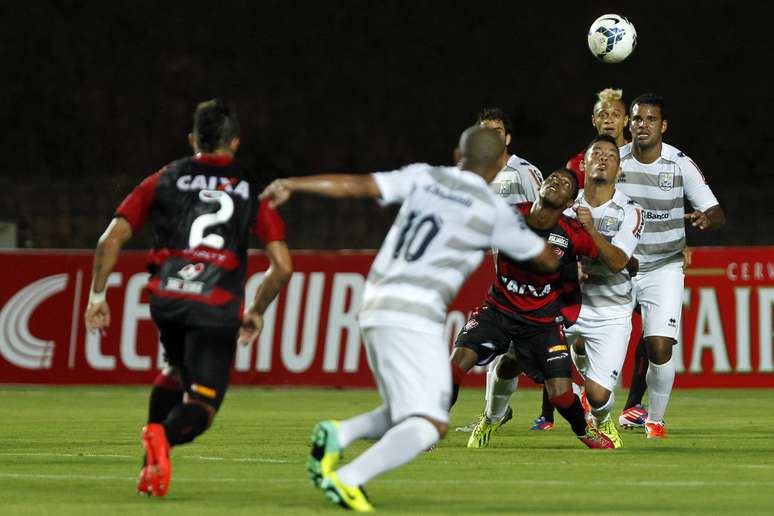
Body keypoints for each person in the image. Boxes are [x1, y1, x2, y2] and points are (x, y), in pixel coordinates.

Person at [260, 126, 557, 512]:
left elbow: (359, 185)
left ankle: (338, 434)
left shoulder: (424, 176)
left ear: (457, 154)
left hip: (376, 302)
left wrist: (294, 184)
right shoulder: (491, 209)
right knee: (429, 424)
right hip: (411, 314)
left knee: (413, 408)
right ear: (501, 164)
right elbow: (546, 258)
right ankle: (349, 479)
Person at [83, 99, 292, 497]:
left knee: (177, 368)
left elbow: (110, 239)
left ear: (193, 139)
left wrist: (97, 297)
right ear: (235, 142)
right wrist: (257, 310)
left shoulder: (164, 178)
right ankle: (162, 438)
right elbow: (282, 267)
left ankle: (150, 467)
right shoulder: (248, 188)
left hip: (168, 299)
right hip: (215, 306)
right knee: (204, 406)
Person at [451, 168, 616, 450]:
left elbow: (608, 258)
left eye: (564, 184)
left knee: (562, 397)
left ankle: (584, 431)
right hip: (498, 312)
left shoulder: (572, 233)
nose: (556, 182)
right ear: (540, 187)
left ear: (568, 202)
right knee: (453, 368)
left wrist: (584, 267)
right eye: (553, 178)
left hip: (542, 323)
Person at [616, 93, 725, 438]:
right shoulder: (613, 163)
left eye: (650, 119)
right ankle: (593, 407)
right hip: (618, 266)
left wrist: (708, 220)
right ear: (628, 124)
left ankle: (655, 420)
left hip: (663, 266)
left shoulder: (679, 164)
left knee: (659, 346)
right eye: (637, 119)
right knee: (581, 342)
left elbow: (715, 211)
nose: (642, 125)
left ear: (662, 126)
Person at [454, 107, 544, 434]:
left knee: (518, 354)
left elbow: (551, 217)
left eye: (495, 131)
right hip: (505, 281)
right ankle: (493, 416)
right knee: (507, 354)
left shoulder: (523, 173)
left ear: (507, 137)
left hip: (536, 282)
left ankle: (591, 407)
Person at [563, 135, 644, 448]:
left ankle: (602, 420)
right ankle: (490, 417)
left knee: (598, 396)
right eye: (596, 153)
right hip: (569, 304)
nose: (603, 158)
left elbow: (618, 261)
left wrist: (590, 232)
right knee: (515, 357)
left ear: (619, 170)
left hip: (612, 310)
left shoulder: (631, 211)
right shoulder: (566, 206)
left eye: (611, 155)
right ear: (583, 164)